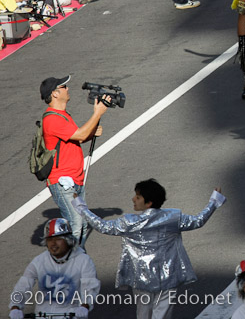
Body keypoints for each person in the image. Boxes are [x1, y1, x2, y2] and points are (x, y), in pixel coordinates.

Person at [72, 179, 226, 319]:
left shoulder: (129, 222)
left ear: (149, 203)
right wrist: (213, 201)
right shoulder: (173, 218)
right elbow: (198, 220)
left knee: (143, 315)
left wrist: (81, 207)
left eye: (138, 197)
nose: (133, 199)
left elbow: (102, 226)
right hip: (168, 277)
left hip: (141, 279)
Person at [39, 75, 108, 248]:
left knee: (82, 224)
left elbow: (75, 138)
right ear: (54, 94)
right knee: (75, 224)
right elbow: (80, 135)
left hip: (75, 179)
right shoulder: (52, 119)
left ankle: (79, 260)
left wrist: (91, 133)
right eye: (63, 87)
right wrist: (97, 113)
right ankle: (69, 264)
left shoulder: (62, 115)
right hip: (63, 181)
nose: (67, 89)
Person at [9, 218, 100, 319]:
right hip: (42, 316)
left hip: (71, 315)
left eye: (58, 239)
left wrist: (85, 306)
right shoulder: (39, 261)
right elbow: (23, 285)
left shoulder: (84, 260)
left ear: (68, 240)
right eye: (50, 240)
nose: (53, 244)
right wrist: (15, 307)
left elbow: (90, 287)